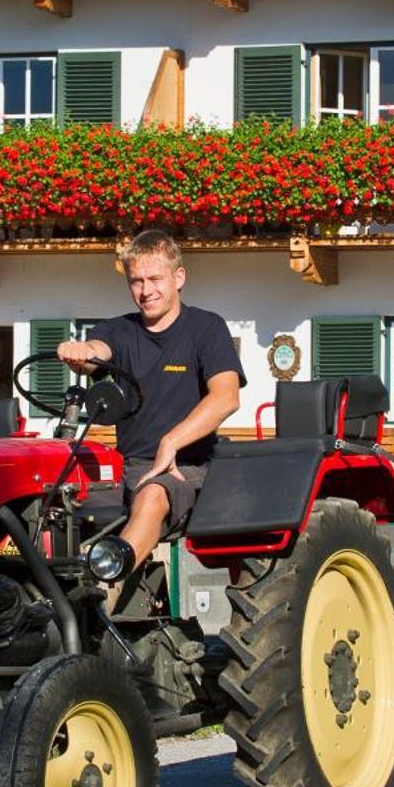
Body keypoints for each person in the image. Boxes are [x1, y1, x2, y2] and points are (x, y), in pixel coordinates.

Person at [57, 229, 243, 573]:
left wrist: (171, 442)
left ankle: (107, 574)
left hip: (187, 468)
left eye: (155, 279)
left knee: (153, 493)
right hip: (127, 465)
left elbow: (226, 397)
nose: (146, 291)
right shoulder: (117, 330)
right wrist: (80, 353)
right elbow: (97, 354)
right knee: (55, 499)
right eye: (136, 281)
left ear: (179, 277)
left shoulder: (206, 328)